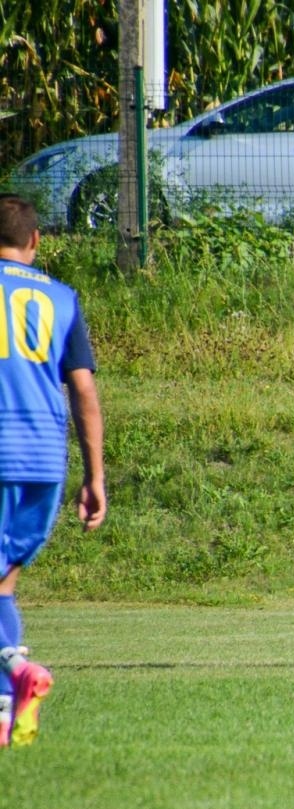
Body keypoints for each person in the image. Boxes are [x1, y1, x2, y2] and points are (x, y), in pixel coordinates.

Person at [0, 194, 107, 748]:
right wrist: (95, 477)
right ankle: (5, 708)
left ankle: (17, 671)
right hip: (43, 457)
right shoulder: (62, 298)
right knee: (4, 583)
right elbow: (83, 391)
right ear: (35, 242)